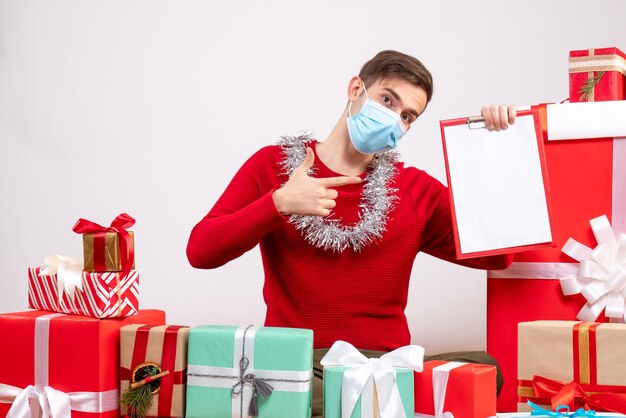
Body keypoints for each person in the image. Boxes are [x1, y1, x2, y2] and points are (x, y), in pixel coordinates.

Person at [187, 49, 516, 416]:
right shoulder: (275, 167)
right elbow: (201, 252)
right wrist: (278, 203)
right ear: (356, 88)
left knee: (485, 370)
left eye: (407, 116)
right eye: (387, 100)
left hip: (386, 367)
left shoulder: (414, 190)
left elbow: (499, 255)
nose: (394, 118)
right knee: (306, 397)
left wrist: (493, 151)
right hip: (300, 366)